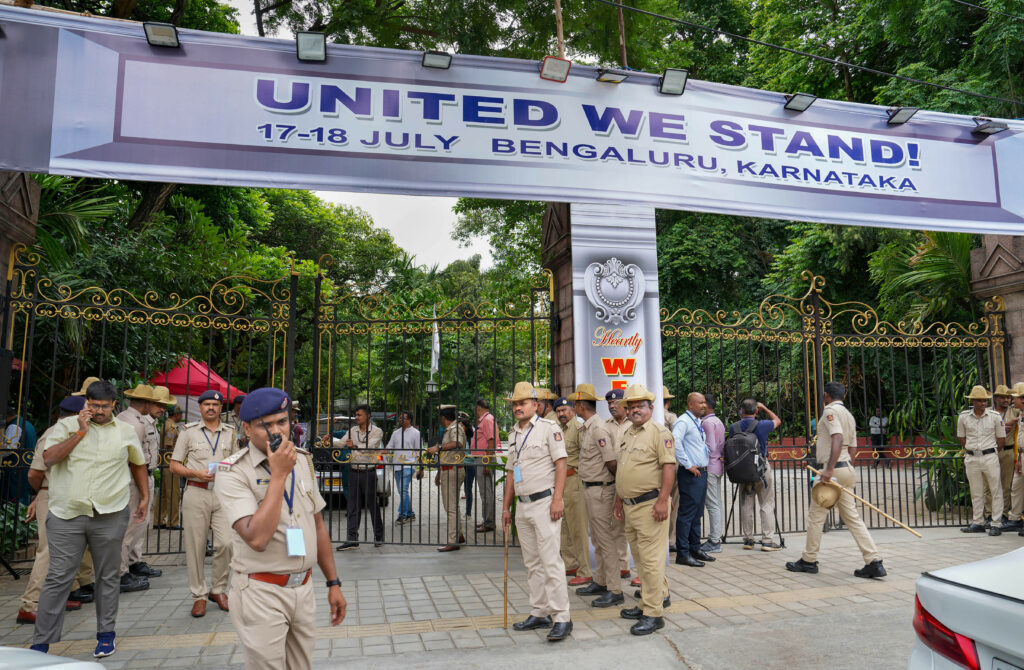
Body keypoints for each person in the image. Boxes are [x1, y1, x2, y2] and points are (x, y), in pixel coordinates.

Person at [215, 387, 347, 669]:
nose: (277, 431)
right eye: (267, 425)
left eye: (282, 422)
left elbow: (317, 524)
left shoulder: (301, 459)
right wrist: (278, 475)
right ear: (248, 428)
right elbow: (257, 538)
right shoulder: (233, 472)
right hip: (261, 591)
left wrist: (333, 583)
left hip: (303, 588)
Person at [30, 380, 149, 658]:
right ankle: (41, 643)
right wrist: (80, 433)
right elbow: (48, 459)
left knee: (107, 577)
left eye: (104, 407)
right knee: (58, 577)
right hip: (67, 513)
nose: (98, 411)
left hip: (110, 513)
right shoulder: (66, 426)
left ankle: (106, 635)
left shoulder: (126, 432)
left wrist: (144, 497)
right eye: (94, 405)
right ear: (87, 403)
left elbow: (138, 463)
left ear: (113, 406)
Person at [787, 381, 886, 577]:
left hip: (832, 471)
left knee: (816, 517)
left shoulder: (829, 412)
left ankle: (809, 560)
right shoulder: (849, 415)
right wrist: (844, 467)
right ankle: (873, 560)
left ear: (827, 396)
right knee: (852, 518)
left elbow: (837, 437)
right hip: (847, 468)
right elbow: (853, 448)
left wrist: (830, 469)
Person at [501, 382, 572, 642]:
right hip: (523, 506)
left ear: (535, 405)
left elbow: (561, 464)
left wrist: (557, 500)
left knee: (551, 561)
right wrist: (506, 508)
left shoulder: (548, 429)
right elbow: (511, 472)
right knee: (532, 563)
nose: (518, 407)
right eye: (515, 404)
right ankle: (539, 612)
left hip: (545, 503)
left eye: (522, 403)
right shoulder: (513, 434)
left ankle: (562, 617)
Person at [17, 396, 93, 624]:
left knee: (67, 551)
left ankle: (58, 597)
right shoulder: (53, 434)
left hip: (67, 495)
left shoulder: (71, 432)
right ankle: (29, 605)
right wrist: (42, 493)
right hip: (52, 495)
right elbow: (34, 473)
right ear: (75, 415)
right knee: (48, 551)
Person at [613, 383, 676, 636]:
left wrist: (663, 500)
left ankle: (653, 613)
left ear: (651, 407)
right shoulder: (629, 433)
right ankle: (649, 600)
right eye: (631, 406)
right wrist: (619, 500)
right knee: (640, 559)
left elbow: (669, 467)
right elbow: (624, 469)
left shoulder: (659, 433)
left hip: (651, 505)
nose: (635, 410)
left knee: (650, 562)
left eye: (640, 406)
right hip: (630, 506)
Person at [169, 390, 237, 618]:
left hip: (222, 495)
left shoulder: (230, 432)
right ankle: (199, 595)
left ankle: (218, 589)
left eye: (215, 405)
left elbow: (237, 462)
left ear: (220, 408)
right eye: (206, 404)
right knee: (196, 547)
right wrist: (195, 473)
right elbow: (174, 465)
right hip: (196, 493)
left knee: (227, 543)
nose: (211, 408)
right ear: (200, 408)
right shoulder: (187, 432)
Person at [572, 384, 624, 608]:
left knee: (605, 540)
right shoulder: (589, 428)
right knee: (598, 539)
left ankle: (614, 589)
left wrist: (616, 490)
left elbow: (611, 462)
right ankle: (601, 581)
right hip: (592, 488)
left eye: (575, 404)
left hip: (602, 489)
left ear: (581, 406)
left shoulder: (598, 429)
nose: (574, 407)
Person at [116, 384, 162, 590]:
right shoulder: (133, 423)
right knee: (130, 526)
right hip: (135, 477)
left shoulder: (134, 419)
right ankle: (121, 573)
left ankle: (131, 564)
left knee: (139, 525)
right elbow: (135, 460)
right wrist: (143, 491)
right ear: (146, 403)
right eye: (152, 401)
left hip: (142, 475)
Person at [729, 398, 782, 552]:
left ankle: (748, 540)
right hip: (761, 469)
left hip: (743, 470)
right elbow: (777, 420)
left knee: (746, 504)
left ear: (741, 411)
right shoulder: (763, 425)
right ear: (756, 411)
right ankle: (767, 541)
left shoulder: (734, 427)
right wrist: (765, 407)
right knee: (766, 503)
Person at [672, 392, 714, 567]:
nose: (704, 405)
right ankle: (682, 553)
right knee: (687, 514)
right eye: (700, 403)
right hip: (690, 474)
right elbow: (674, 441)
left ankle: (694, 548)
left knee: (697, 514)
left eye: (704, 403)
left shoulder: (696, 421)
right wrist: (688, 464)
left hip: (700, 473)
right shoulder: (683, 421)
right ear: (690, 405)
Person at [956, 385, 1005, 536]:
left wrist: (991, 452)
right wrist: (973, 450)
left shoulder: (995, 417)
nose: (983, 403)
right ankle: (978, 522)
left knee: (995, 490)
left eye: (985, 400)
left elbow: (1001, 439)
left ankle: (996, 523)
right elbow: (961, 438)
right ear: (973, 401)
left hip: (990, 456)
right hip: (972, 457)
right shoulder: (964, 417)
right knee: (976, 491)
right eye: (979, 400)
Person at [554, 397, 592, 586]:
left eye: (564, 410)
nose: (561, 414)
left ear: (573, 410)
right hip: (560, 483)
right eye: (558, 411)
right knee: (563, 527)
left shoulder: (578, 428)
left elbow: (587, 455)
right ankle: (571, 564)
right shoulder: (557, 430)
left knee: (578, 529)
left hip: (574, 481)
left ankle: (585, 570)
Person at [335, 405, 384, 551]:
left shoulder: (377, 431)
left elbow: (371, 446)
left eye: (359, 415)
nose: (356, 417)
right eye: (355, 415)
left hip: (368, 471)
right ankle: (352, 539)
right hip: (354, 471)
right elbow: (341, 443)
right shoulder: (352, 430)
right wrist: (327, 441)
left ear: (368, 416)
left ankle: (379, 536)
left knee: (372, 505)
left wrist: (354, 445)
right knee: (352, 506)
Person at [429, 406, 469, 551]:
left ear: (443, 418)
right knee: (453, 506)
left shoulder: (454, 429)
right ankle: (458, 535)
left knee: (450, 507)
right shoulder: (453, 428)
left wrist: (438, 447)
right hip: (450, 469)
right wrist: (439, 473)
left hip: (453, 470)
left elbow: (457, 443)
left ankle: (453, 541)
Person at [604, 388, 632, 583]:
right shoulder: (605, 426)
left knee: (638, 526)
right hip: (612, 481)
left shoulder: (636, 424)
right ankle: (622, 566)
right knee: (616, 525)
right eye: (609, 403)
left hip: (635, 483)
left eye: (616, 402)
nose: (612, 406)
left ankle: (645, 574)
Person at [699, 394, 726, 554]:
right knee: (716, 503)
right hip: (717, 465)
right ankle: (715, 537)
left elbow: (710, 446)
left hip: (710, 467)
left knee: (712, 504)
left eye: (703, 404)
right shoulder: (717, 421)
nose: (701, 406)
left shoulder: (707, 422)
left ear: (707, 406)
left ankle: (715, 540)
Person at [386, 411, 420, 525]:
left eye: (403, 418)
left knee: (403, 489)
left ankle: (402, 515)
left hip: (409, 464)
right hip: (396, 466)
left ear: (409, 420)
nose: (401, 420)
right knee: (402, 491)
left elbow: (419, 450)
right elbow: (389, 447)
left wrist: (421, 467)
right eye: (400, 418)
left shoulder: (416, 433)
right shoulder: (395, 433)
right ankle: (411, 513)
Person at [471, 399, 500, 533]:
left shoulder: (487, 420)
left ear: (479, 408)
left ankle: (489, 522)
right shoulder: (485, 420)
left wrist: (487, 462)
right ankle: (487, 520)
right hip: (482, 459)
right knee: (485, 492)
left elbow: (491, 441)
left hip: (484, 459)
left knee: (486, 492)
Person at [991, 385, 1018, 523]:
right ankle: (989, 514)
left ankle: (1004, 514)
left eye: (1008, 397)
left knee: (1007, 485)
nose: (1006, 400)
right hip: (991, 452)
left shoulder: (1015, 412)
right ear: (996, 398)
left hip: (1008, 451)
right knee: (991, 485)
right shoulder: (989, 413)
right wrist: (1004, 425)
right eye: (1002, 397)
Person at [157, 405, 183, 530]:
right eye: (181, 414)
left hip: (164, 463)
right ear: (176, 414)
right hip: (170, 462)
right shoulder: (171, 427)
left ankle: (158, 520)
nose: (182, 417)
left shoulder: (165, 424)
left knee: (163, 493)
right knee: (173, 493)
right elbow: (168, 445)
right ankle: (173, 522)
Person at [1004, 383, 1024, 534]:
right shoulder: (1022, 414)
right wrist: (1019, 459)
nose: (1013, 400)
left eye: (1015, 398)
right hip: (1022, 454)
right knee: (1017, 487)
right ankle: (1015, 519)